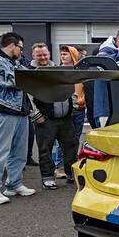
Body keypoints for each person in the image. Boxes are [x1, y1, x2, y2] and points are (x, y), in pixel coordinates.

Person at [0, 32, 36, 204]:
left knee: (19, 153)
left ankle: (14, 184)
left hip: (20, 111)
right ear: (12, 45)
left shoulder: (15, 61)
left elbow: (29, 75)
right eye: (20, 47)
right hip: (4, 110)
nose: (22, 51)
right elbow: (12, 80)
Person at [28, 43, 79, 189]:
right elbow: (28, 96)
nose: (43, 57)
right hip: (45, 118)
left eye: (45, 54)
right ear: (33, 56)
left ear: (49, 54)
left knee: (71, 147)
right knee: (45, 149)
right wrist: (36, 115)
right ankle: (48, 177)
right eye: (39, 55)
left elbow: (69, 88)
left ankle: (70, 174)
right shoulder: (31, 72)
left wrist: (73, 107)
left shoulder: (58, 68)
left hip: (65, 118)